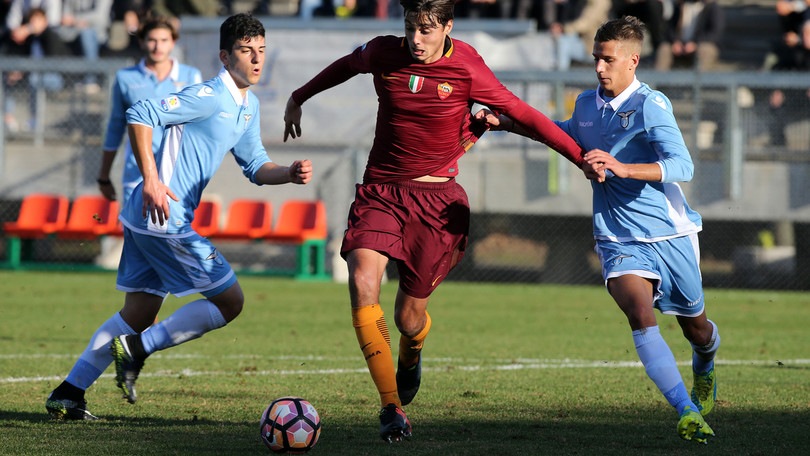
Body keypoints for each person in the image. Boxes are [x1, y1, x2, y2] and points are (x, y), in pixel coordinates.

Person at [283, 0, 598, 442]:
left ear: (448, 27)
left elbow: (524, 114)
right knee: (361, 283)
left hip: (435, 203)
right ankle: (391, 408)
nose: (416, 40)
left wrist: (580, 157)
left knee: (409, 318)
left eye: (427, 30)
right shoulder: (382, 51)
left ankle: (412, 354)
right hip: (381, 192)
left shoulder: (468, 67)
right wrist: (298, 97)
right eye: (411, 28)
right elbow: (345, 65)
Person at [45, 12, 313, 420]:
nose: (256, 59)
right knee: (230, 301)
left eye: (261, 51)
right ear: (225, 57)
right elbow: (139, 115)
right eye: (246, 51)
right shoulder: (207, 96)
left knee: (137, 314)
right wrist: (151, 180)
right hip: (162, 218)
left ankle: (69, 393)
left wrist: (287, 174)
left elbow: (255, 164)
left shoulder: (248, 105)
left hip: (146, 218)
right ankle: (137, 349)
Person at [477, 16, 720, 444]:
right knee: (640, 315)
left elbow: (683, 166)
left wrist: (622, 167)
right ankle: (686, 411)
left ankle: (705, 364)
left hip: (669, 233)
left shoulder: (651, 105)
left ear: (632, 61)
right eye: (595, 58)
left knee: (695, 328)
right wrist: (507, 123)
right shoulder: (586, 106)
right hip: (617, 235)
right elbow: (564, 136)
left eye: (607, 60)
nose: (599, 68)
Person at [94, 15, 202, 269]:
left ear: (173, 42)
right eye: (152, 40)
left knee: (170, 240)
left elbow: (199, 126)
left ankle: (150, 303)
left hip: (177, 176)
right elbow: (115, 127)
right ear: (142, 42)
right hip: (137, 174)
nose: (157, 46)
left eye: (164, 40)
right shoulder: (126, 78)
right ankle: (142, 304)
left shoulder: (190, 76)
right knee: (139, 242)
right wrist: (104, 175)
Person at [655, 0, 725, 71]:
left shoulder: (712, 7)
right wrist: (675, 41)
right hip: (679, 46)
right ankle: (657, 80)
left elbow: (715, 33)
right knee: (664, 48)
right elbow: (669, 28)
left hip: (701, 45)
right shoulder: (679, 6)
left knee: (705, 50)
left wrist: (695, 43)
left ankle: (700, 81)